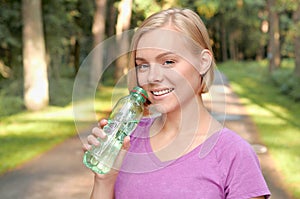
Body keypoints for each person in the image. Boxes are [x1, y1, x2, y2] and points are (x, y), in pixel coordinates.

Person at [83, 8, 271, 199]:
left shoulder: (234, 154)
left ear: (203, 62)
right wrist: (104, 179)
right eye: (143, 65)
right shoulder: (126, 139)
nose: (152, 77)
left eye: (168, 62)